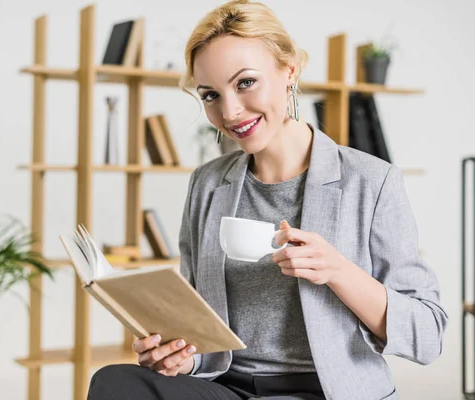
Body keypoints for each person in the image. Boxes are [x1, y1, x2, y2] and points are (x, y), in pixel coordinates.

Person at [87, 1, 448, 399]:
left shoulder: (371, 181)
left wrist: (338, 271)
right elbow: (202, 333)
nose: (230, 112)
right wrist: (182, 357)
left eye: (245, 83)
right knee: (114, 382)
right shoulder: (207, 184)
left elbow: (427, 335)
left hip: (322, 392)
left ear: (288, 70)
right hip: (228, 389)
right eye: (210, 95)